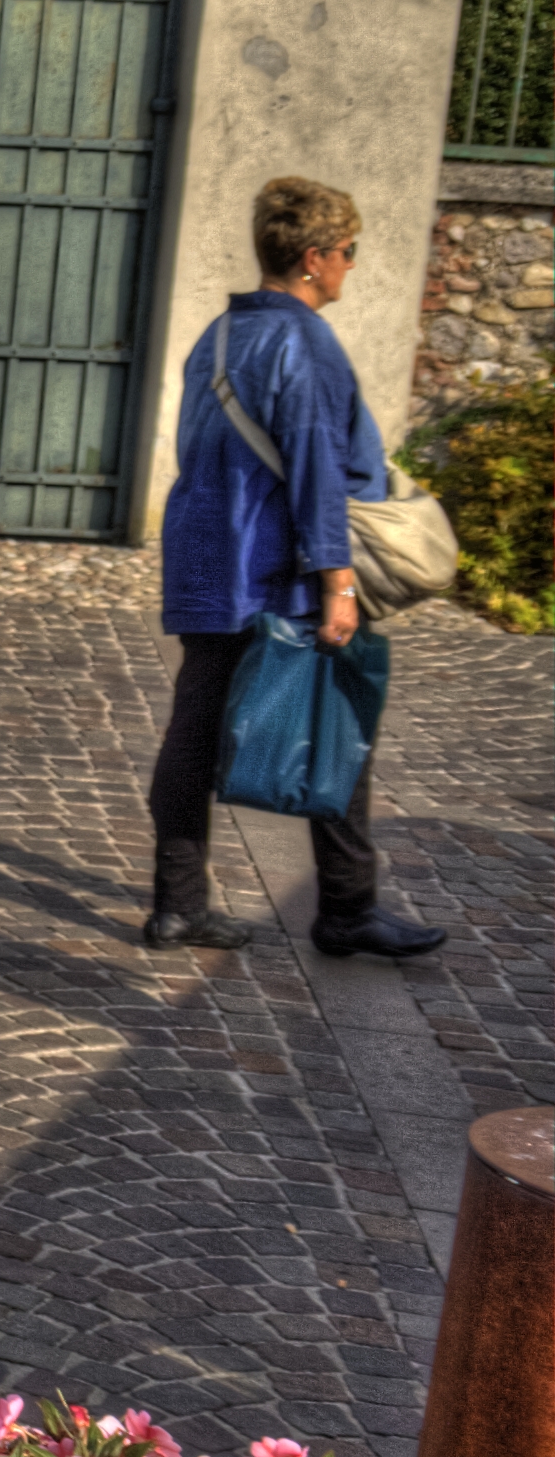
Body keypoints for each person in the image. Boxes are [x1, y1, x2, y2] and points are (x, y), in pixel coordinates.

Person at [143, 178, 447, 959]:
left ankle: (177, 904)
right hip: (276, 567)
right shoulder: (306, 344)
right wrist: (336, 581)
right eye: (348, 252)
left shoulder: (218, 334)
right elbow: (315, 470)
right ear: (313, 259)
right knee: (338, 725)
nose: (351, 265)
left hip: (210, 560)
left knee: (192, 733)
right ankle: (347, 909)